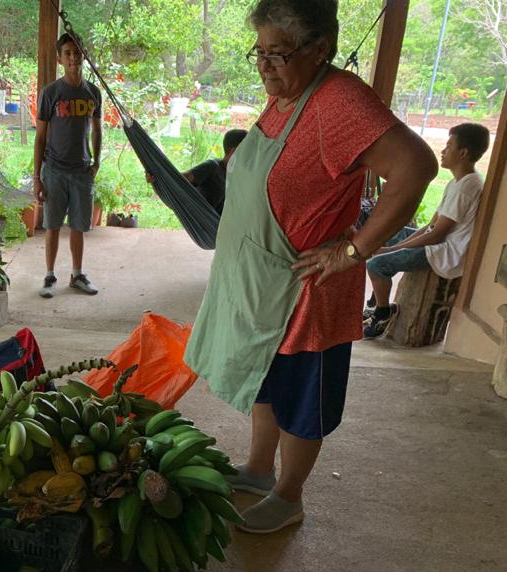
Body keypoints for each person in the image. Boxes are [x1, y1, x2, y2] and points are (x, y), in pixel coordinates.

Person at [183, 0, 437, 533]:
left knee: (302, 397)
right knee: (267, 382)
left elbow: (416, 166)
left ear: (320, 49)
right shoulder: (287, 97)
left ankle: (289, 493)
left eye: (279, 54)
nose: (265, 65)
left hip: (305, 290)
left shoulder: (339, 101)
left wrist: (353, 250)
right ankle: (257, 468)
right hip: (262, 285)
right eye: (260, 53)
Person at [362, 122, 489, 339]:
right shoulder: (456, 183)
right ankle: (376, 302)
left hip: (444, 252)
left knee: (376, 264)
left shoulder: (467, 188)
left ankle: (383, 313)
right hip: (437, 242)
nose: (443, 150)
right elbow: (431, 225)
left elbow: (437, 235)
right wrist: (395, 244)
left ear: (463, 152)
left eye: (448, 146)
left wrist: (392, 250)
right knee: (388, 238)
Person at [33, 32, 103, 298]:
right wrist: (37, 177)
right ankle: (49, 276)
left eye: (77, 51)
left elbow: (97, 131)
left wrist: (96, 162)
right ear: (60, 59)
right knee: (51, 225)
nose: (73, 57)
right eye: (67, 53)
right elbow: (40, 137)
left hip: (82, 171)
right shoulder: (51, 93)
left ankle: (77, 274)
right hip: (54, 170)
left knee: (78, 226)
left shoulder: (92, 92)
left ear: (83, 53)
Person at [146, 128, 248, 216]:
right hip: (205, 220)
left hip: (221, 224)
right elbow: (179, 180)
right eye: (247, 151)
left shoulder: (238, 174)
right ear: (234, 151)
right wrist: (157, 176)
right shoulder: (213, 167)